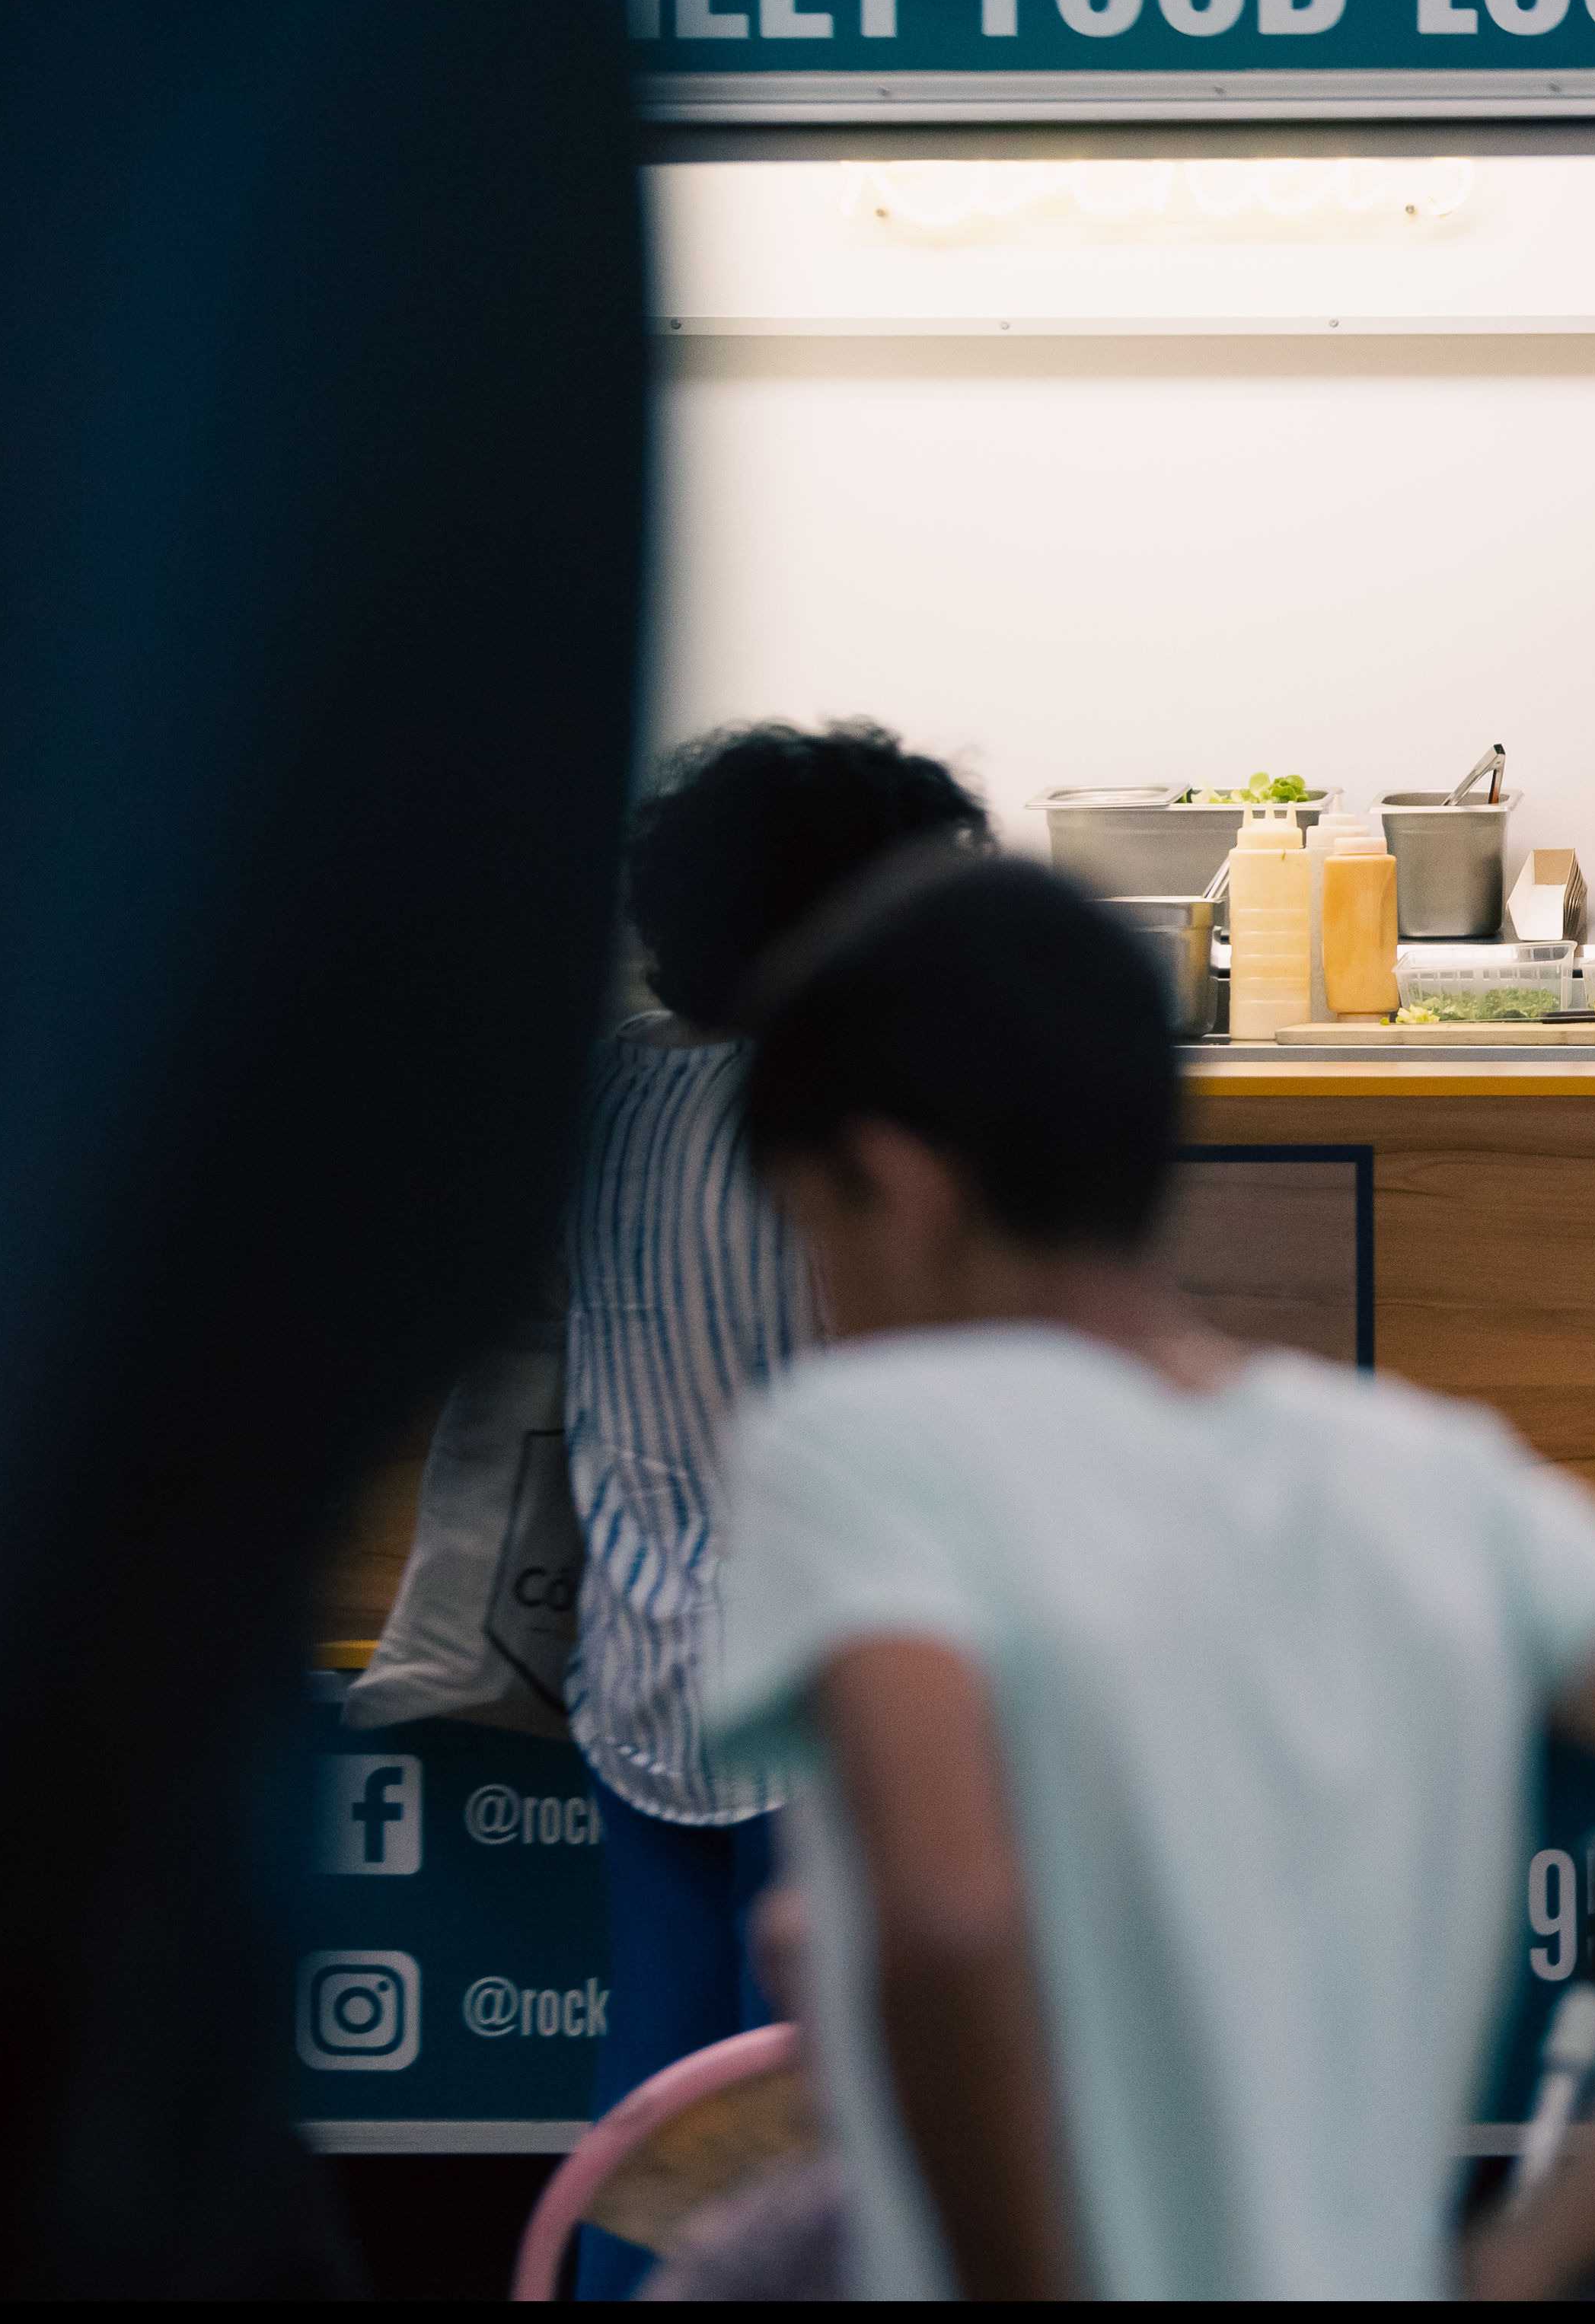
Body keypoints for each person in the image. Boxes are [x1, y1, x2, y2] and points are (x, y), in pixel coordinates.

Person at [709, 856, 1595, 2299]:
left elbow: (949, 1910)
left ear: (897, 1186)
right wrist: (1544, 2241)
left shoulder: (863, 1440)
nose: (823, 1295)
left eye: (813, 1232)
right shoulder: (1423, 1472)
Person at [568, 721, 989, 2298]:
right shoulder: (862, 1129)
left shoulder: (607, 1098)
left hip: (643, 1665)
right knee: (829, 2117)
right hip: (836, 1680)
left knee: (653, 2096)